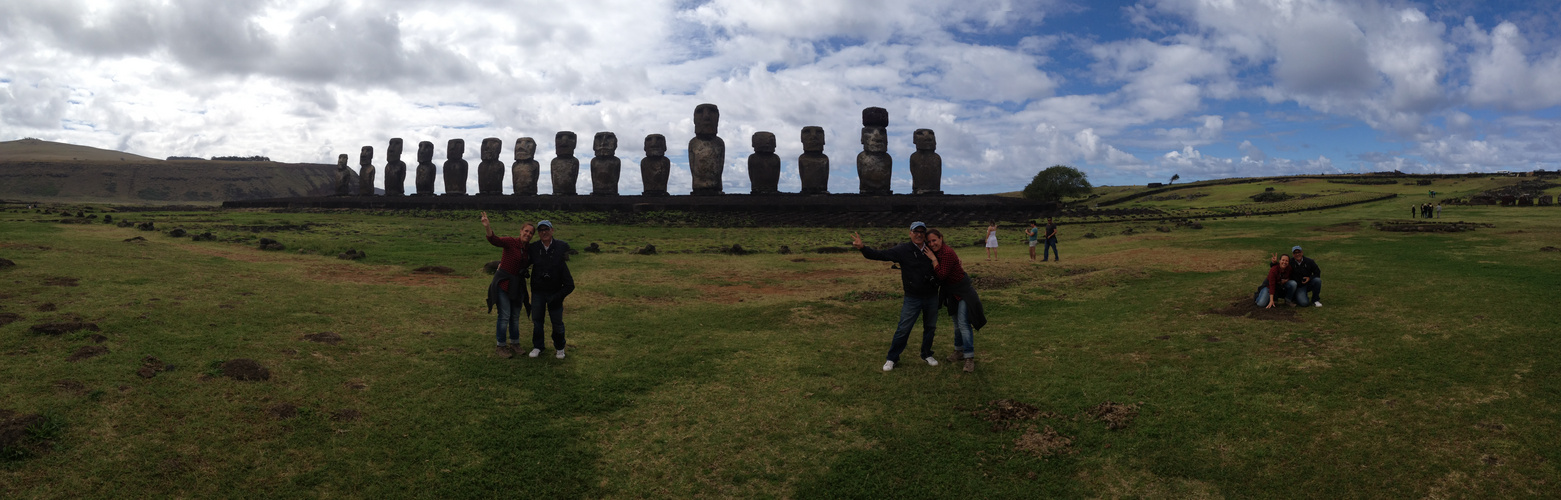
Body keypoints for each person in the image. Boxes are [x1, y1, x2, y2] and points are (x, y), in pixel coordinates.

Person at [852, 222, 940, 371]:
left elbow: (945, 259)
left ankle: (926, 354)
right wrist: (863, 248)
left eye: (922, 232)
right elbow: (881, 255)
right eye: (915, 231)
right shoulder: (903, 250)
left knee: (930, 327)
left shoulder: (931, 247)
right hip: (913, 297)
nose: (919, 234)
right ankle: (892, 358)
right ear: (910, 233)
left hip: (931, 296)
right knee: (903, 328)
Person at [922, 228, 985, 373]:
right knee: (957, 325)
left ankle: (969, 357)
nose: (932, 244)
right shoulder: (936, 253)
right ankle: (959, 350)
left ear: (941, 238)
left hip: (963, 291)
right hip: (951, 293)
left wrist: (933, 259)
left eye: (934, 240)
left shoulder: (947, 253)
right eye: (929, 242)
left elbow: (942, 275)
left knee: (963, 323)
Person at [482, 212, 533, 358]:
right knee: (504, 315)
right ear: (521, 231)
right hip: (503, 284)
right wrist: (487, 226)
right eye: (526, 231)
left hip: (518, 285)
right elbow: (494, 240)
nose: (528, 234)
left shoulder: (529, 249)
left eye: (530, 233)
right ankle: (501, 346)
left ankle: (515, 343)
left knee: (515, 316)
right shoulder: (511, 242)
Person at [524, 220, 574, 359]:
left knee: (557, 322)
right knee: (537, 320)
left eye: (546, 229)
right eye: (540, 230)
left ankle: (560, 347)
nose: (544, 232)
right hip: (538, 291)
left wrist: (558, 296)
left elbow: (570, 284)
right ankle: (538, 346)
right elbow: (524, 261)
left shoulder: (561, 246)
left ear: (552, 230)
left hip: (555, 291)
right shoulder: (533, 248)